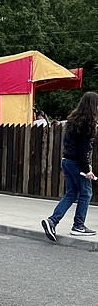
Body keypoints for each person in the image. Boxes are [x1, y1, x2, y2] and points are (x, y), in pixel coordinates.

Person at [42, 91, 98, 240]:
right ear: (93, 106)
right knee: (86, 193)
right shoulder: (87, 123)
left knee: (72, 193)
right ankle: (78, 226)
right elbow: (83, 149)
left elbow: (70, 144)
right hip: (76, 163)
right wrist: (87, 169)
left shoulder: (73, 121)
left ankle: (52, 221)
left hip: (66, 160)